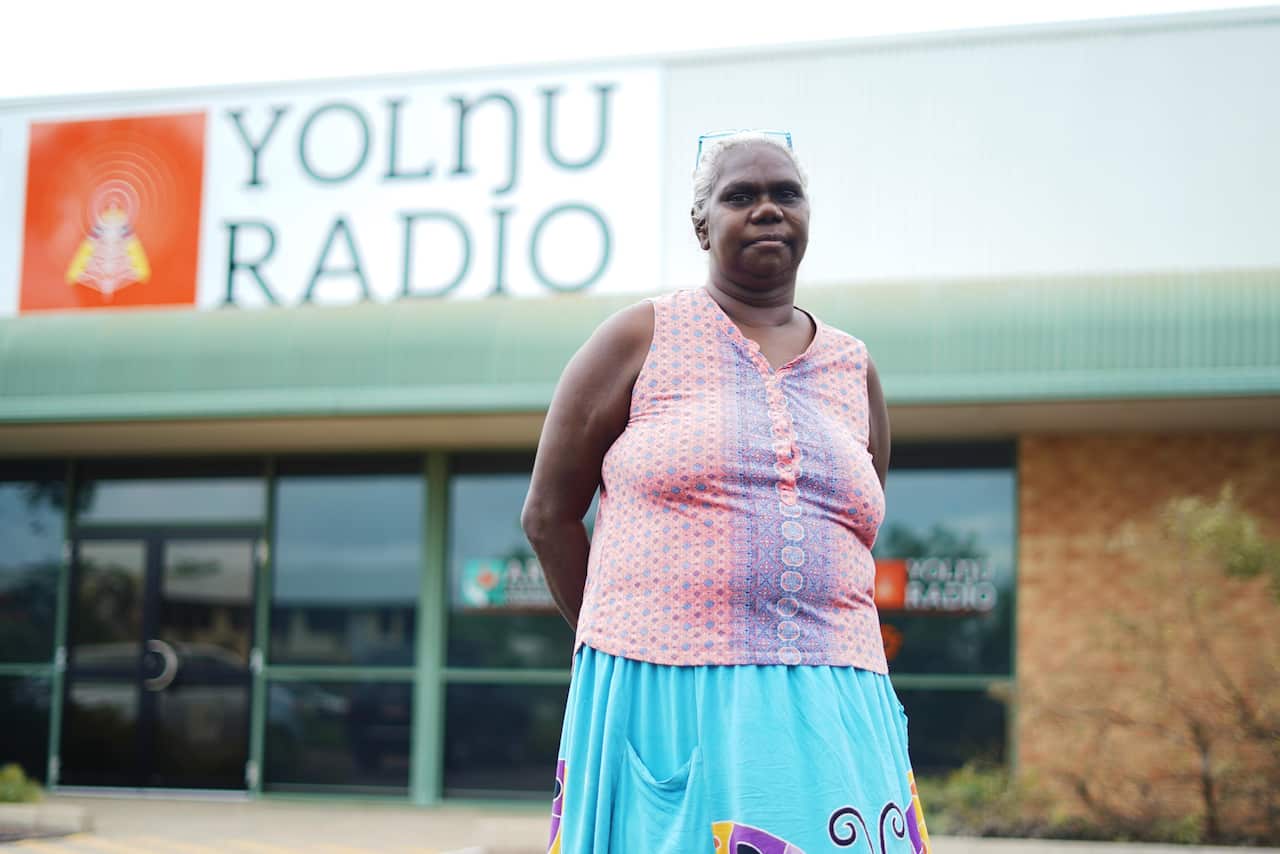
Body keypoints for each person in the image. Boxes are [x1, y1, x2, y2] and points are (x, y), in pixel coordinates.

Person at [522, 130, 930, 853]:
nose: (768, 209)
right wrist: (623, 645)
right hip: (670, 698)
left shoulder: (853, 368)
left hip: (841, 698)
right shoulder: (638, 337)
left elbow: (857, 530)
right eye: (741, 196)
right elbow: (549, 515)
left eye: (786, 194)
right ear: (702, 224)